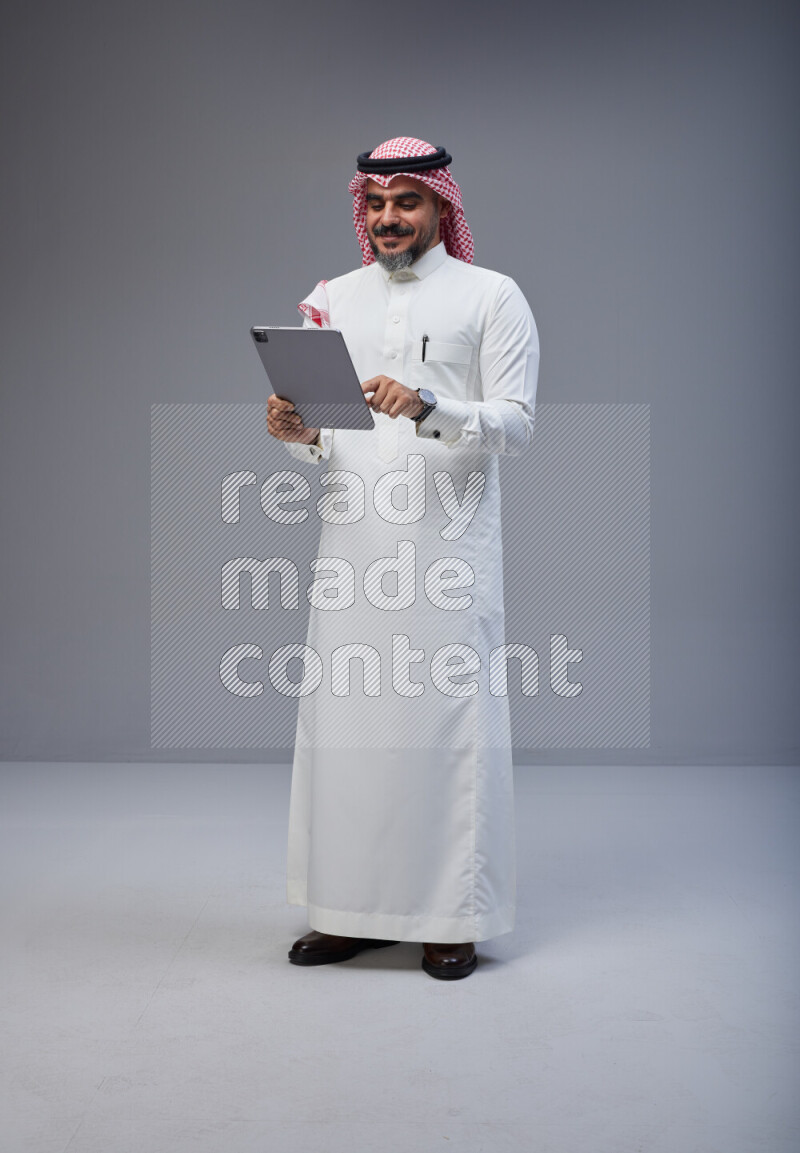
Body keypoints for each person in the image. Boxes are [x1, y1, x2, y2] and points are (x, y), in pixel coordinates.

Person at [266, 136, 539, 980]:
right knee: (347, 732)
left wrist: (429, 406)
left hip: (446, 555)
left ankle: (450, 917)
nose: (389, 217)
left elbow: (517, 424)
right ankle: (347, 911)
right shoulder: (330, 299)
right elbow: (325, 438)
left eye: (407, 201)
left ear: (440, 206)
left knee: (445, 731)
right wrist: (298, 432)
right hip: (352, 551)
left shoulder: (492, 296)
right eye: (376, 203)